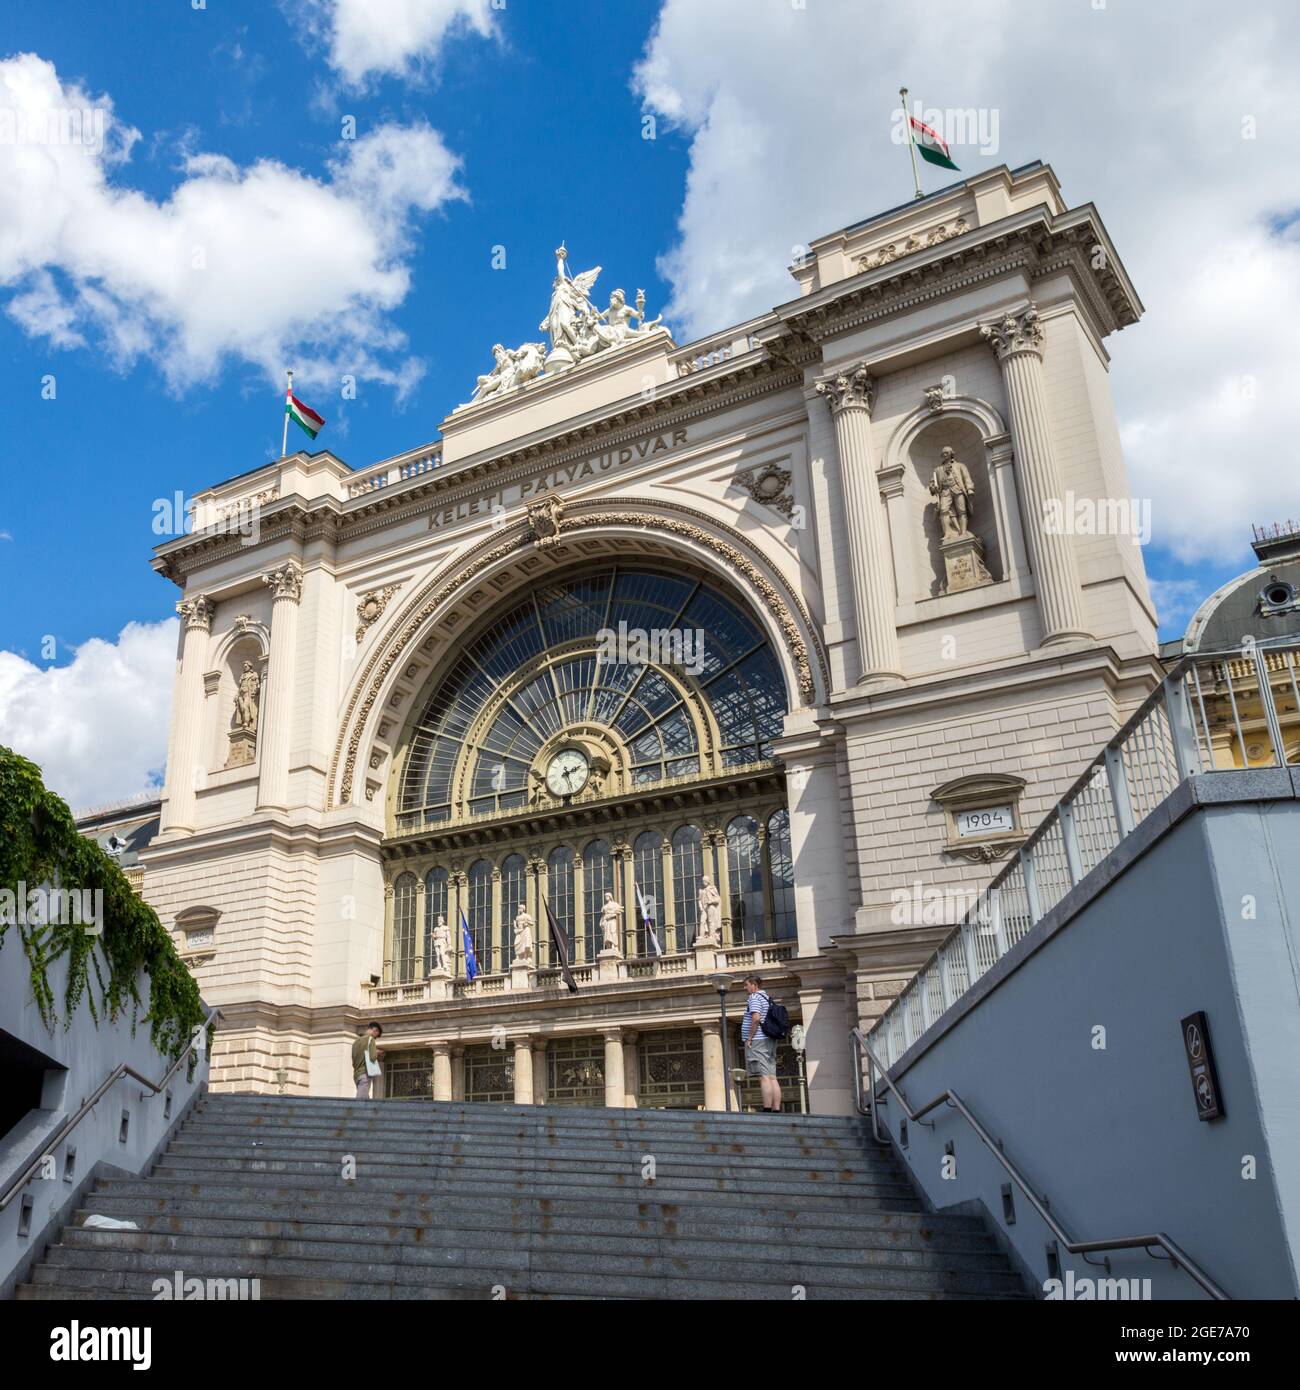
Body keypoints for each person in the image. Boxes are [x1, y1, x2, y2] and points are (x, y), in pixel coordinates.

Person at [741, 974, 781, 1112]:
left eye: (746, 985)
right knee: (772, 1076)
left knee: (763, 1077)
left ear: (754, 985)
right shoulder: (767, 998)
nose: (745, 988)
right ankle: (776, 1109)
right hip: (769, 1040)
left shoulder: (754, 997)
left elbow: (756, 1018)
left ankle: (767, 1109)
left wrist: (750, 1037)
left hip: (758, 1040)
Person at [351, 1021, 384, 1100]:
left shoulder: (356, 1042)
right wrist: (377, 1053)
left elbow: (354, 1058)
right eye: (377, 1036)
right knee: (361, 1102)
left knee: (365, 1099)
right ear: (375, 1030)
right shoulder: (370, 1039)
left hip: (356, 1075)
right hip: (364, 1074)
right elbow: (372, 1058)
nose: (375, 1038)